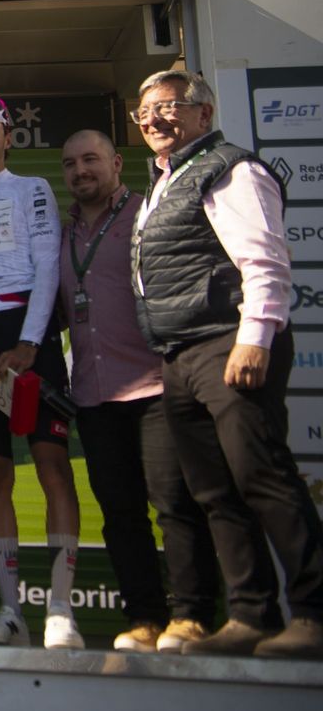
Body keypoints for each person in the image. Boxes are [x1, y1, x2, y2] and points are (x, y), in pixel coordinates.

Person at [131, 70, 323, 658]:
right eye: (145, 115)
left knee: (262, 475)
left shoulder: (231, 169)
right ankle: (251, 616)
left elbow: (264, 260)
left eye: (168, 107)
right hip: (180, 355)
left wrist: (255, 337)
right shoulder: (163, 184)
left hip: (228, 342)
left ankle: (315, 616)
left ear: (203, 113)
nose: (156, 120)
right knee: (214, 492)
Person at [57, 129, 224, 652]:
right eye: (70, 164)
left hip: (156, 385)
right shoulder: (61, 236)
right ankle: (145, 617)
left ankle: (193, 615)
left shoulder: (146, 216)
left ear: (115, 162)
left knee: (175, 504)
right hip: (93, 394)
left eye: (91, 159)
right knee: (121, 513)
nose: (81, 170)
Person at [0, 94, 83, 650]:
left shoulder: (33, 188)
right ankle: (10, 610)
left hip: (32, 334)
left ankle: (59, 610)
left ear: (8, 137)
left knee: (53, 467)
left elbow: (49, 262)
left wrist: (31, 340)